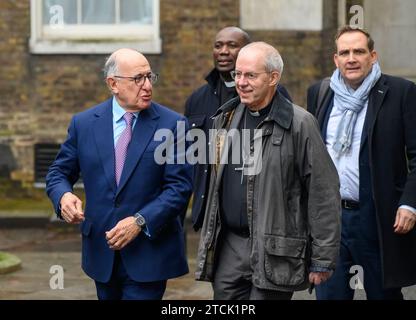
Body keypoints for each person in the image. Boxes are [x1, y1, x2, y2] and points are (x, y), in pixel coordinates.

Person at [195, 42, 341, 300]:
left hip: (275, 249)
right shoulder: (224, 119)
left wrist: (322, 258)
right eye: (237, 74)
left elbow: (323, 193)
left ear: (274, 78)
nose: (241, 82)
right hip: (229, 247)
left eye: (250, 75)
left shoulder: (300, 124)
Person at [46, 48, 192, 300]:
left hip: (150, 253)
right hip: (100, 254)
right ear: (113, 84)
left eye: (149, 77)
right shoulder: (84, 123)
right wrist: (63, 196)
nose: (147, 85)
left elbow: (179, 188)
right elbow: (59, 171)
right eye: (138, 79)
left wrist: (139, 221)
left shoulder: (174, 124)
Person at [307, 26, 416, 300]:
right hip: (329, 222)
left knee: (384, 295)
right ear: (336, 59)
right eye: (345, 52)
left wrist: (409, 202)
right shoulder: (320, 94)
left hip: (378, 219)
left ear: (373, 56)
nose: (351, 58)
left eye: (359, 51)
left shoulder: (400, 92)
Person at [185, 26, 291, 231]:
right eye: (218, 46)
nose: (223, 51)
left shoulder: (273, 94)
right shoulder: (196, 100)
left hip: (256, 214)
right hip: (209, 214)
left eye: (232, 45)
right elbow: (190, 158)